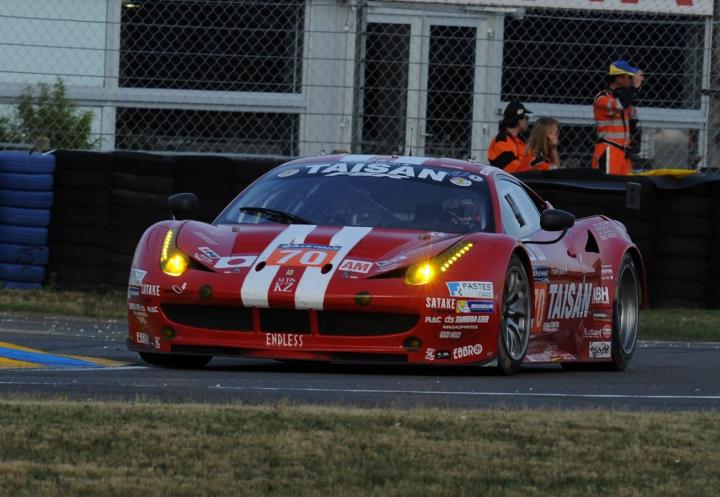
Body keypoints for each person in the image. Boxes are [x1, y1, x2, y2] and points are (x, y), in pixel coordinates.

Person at [591, 60, 645, 175]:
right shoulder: (601, 98)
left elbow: (633, 124)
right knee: (607, 184)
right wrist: (634, 88)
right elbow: (618, 105)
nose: (632, 80)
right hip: (608, 150)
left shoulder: (625, 99)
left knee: (625, 185)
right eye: (629, 77)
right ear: (619, 79)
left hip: (624, 154)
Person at [487, 100, 531, 173]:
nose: (527, 121)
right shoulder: (502, 140)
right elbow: (513, 170)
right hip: (509, 178)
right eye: (526, 118)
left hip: (523, 177)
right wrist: (534, 163)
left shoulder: (519, 140)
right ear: (519, 120)